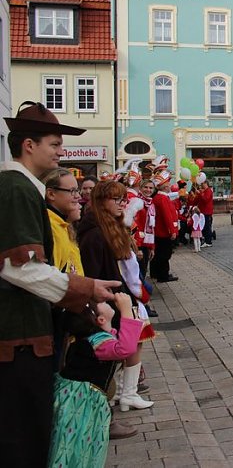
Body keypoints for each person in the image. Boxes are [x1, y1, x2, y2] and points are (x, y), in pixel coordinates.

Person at [0, 102, 119, 466]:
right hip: (19, 338)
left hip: (28, 333)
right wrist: (86, 289)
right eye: (54, 144)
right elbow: (20, 269)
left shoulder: (24, 187)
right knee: (23, 437)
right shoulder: (16, 187)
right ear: (28, 145)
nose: (61, 152)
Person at [78, 181, 155, 414]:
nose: (123, 204)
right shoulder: (95, 234)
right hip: (111, 299)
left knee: (133, 343)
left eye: (124, 199)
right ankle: (121, 393)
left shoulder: (112, 227)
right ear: (102, 202)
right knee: (121, 345)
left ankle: (126, 393)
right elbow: (94, 273)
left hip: (122, 296)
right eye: (117, 199)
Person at [48, 293, 143, 466]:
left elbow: (118, 340)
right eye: (101, 303)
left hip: (79, 398)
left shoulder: (95, 338)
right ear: (100, 319)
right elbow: (126, 349)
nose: (105, 302)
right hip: (81, 403)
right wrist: (126, 310)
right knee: (78, 444)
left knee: (78, 442)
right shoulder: (98, 342)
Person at [149, 168, 179, 282]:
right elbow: (167, 216)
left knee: (158, 253)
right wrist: (172, 231)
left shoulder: (158, 197)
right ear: (165, 186)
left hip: (159, 230)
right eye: (168, 183)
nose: (170, 185)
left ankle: (155, 273)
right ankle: (163, 275)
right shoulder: (163, 198)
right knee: (164, 254)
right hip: (164, 231)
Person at [196, 179, 214, 246]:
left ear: (206, 183)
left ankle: (208, 242)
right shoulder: (205, 191)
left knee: (207, 226)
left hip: (207, 211)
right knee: (204, 226)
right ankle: (206, 240)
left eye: (202, 183)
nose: (201, 185)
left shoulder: (208, 191)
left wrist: (200, 194)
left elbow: (205, 200)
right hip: (203, 211)